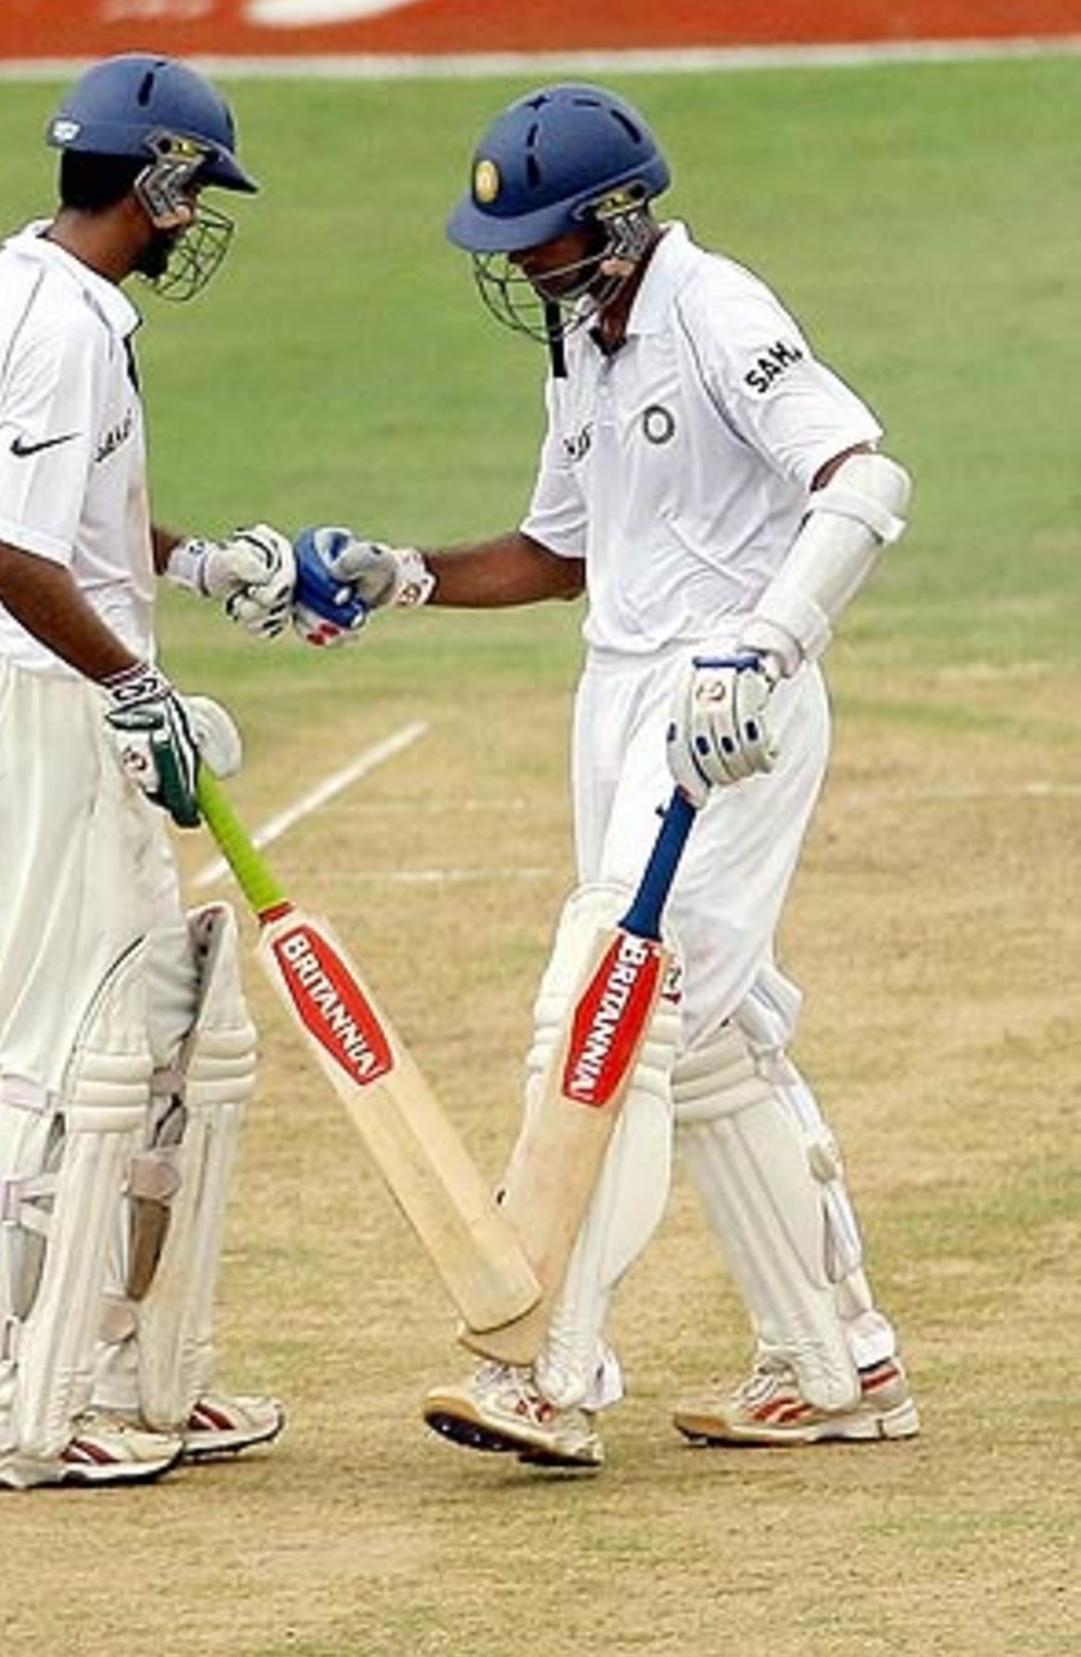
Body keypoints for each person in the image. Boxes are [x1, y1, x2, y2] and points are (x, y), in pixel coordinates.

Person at [290, 82, 920, 1469]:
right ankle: (836, 1364)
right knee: (705, 1033)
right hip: (623, 697)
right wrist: (403, 576)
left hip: (725, 704)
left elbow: (864, 482)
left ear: (621, 220)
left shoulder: (715, 310)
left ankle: (545, 1369)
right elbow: (560, 551)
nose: (524, 267)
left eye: (546, 241)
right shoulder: (585, 338)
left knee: (612, 1009)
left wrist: (764, 646)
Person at [0, 53, 295, 1491]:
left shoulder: (17, 284)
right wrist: (135, 686)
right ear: (155, 182)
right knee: (64, 1059)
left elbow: (67, 521)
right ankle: (11, 1403)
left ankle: (128, 1373)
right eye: (194, 192)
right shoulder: (63, 328)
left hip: (65, 699)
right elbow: (7, 551)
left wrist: (195, 567)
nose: (196, 220)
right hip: (48, 710)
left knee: (158, 1049)